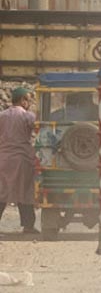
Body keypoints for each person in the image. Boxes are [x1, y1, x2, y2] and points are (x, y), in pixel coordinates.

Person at [0, 88, 39, 234]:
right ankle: (28, 226)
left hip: (3, 159)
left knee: (2, 193)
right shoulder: (28, 116)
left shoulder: (2, 115)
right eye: (28, 99)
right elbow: (39, 132)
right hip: (22, 159)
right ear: (23, 100)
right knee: (25, 192)